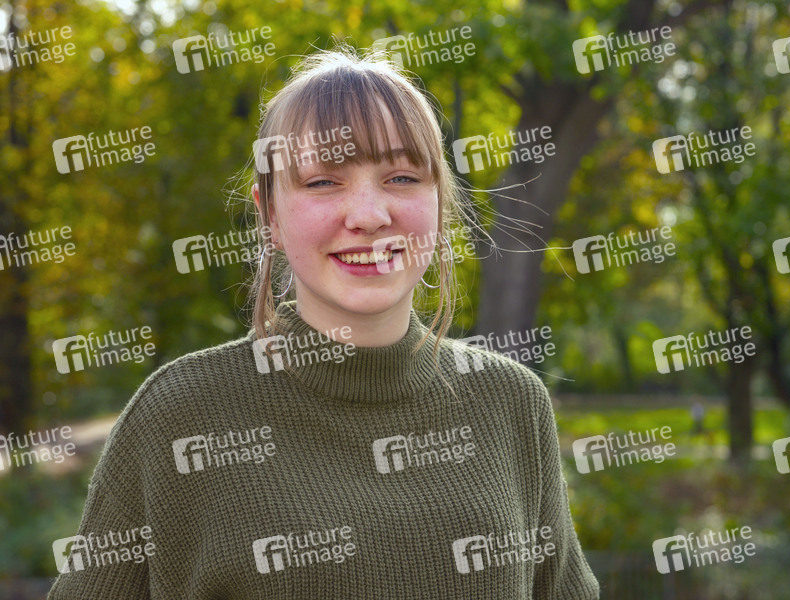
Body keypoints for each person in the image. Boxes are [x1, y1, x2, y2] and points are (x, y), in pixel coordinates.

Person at [47, 46, 599, 599]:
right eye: (322, 182)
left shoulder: (512, 403)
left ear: (440, 200)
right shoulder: (179, 416)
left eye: (402, 177)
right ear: (269, 214)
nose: (368, 216)